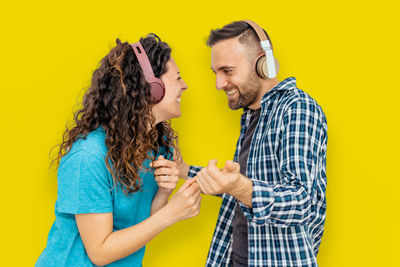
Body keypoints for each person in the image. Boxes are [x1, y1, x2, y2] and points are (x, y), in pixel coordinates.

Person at [154, 20, 328, 266]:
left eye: (227, 71)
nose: (218, 84)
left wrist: (240, 187)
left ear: (262, 64)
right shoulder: (253, 115)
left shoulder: (297, 109)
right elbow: (240, 184)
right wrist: (186, 172)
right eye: (215, 73)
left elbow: (302, 203)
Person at [36, 34, 201, 267]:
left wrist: (164, 192)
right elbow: (100, 252)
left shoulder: (155, 146)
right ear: (153, 89)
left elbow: (143, 223)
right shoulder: (88, 158)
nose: (184, 85)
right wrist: (171, 213)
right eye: (178, 78)